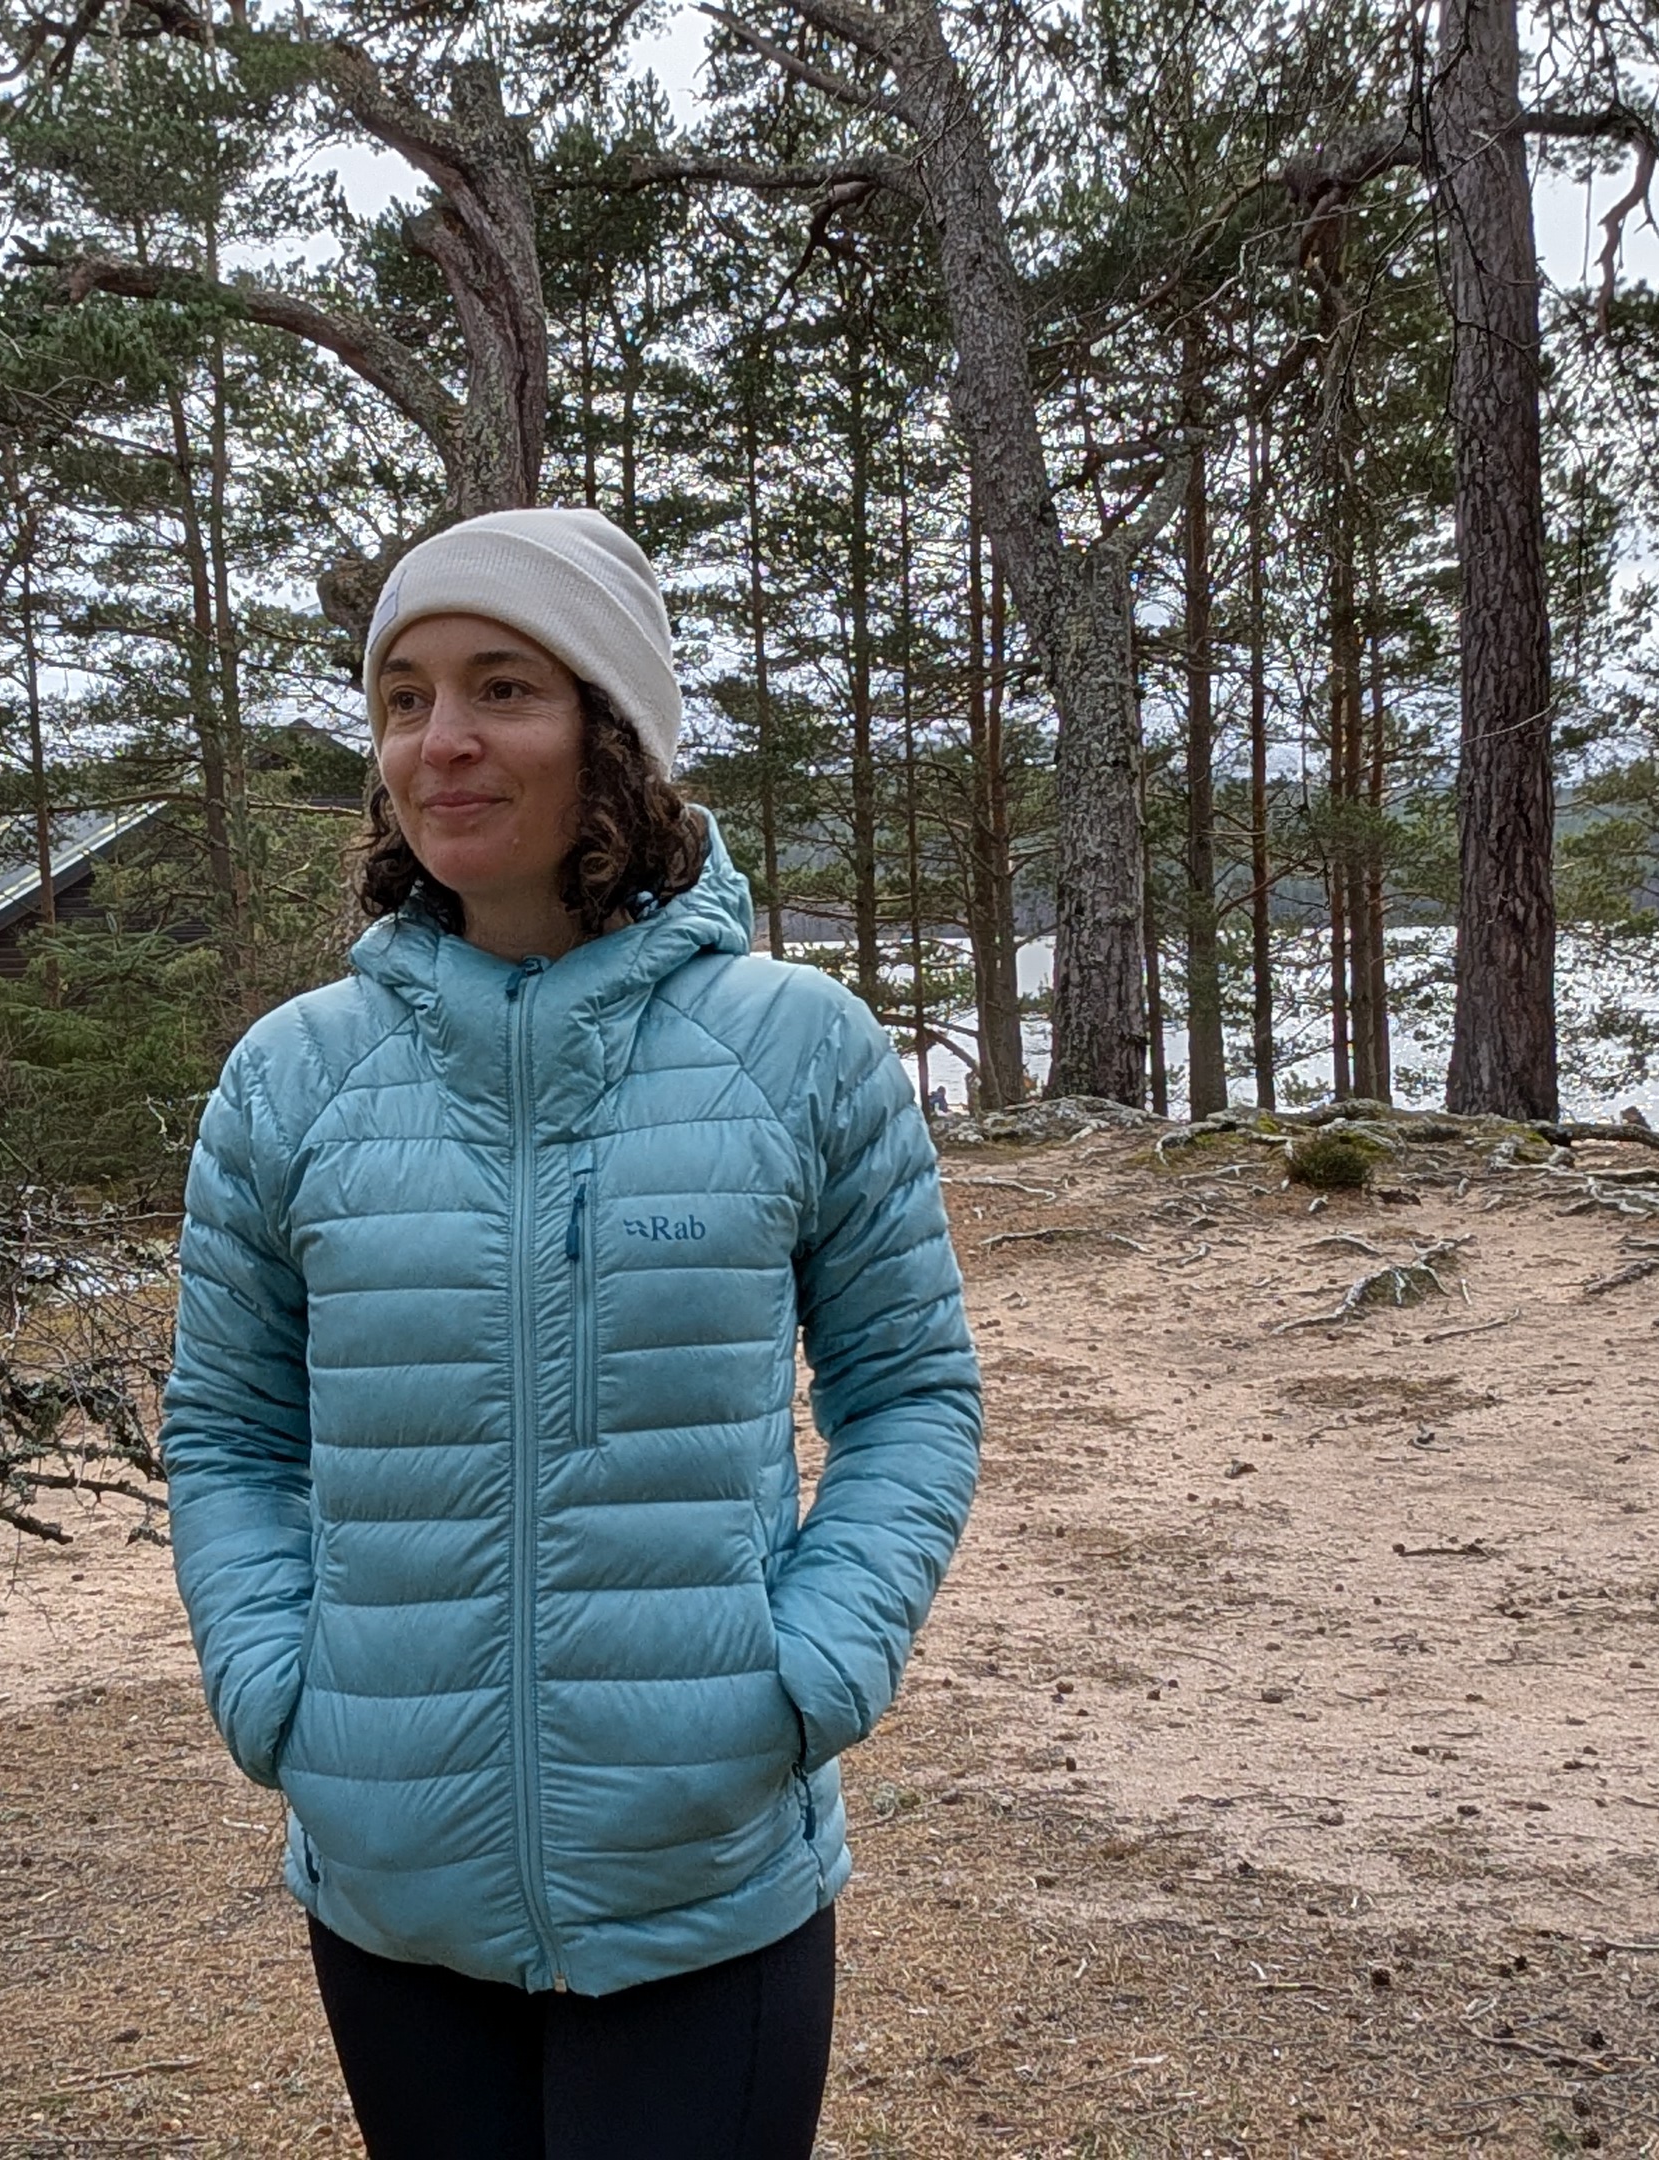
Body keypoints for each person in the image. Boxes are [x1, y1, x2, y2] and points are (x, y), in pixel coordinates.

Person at [160, 506, 984, 2158]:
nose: (440, 742)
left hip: (706, 1872)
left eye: (501, 688)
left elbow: (910, 1394)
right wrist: (275, 1688)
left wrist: (809, 1672)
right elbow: (227, 1429)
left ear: (613, 733)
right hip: (391, 1869)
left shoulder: (798, 1048)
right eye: (402, 697)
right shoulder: (293, 1077)